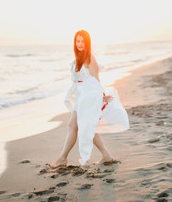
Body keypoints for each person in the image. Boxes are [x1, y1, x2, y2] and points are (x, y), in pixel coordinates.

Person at [47, 30, 129, 169]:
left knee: (74, 126)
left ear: (87, 42)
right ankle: (106, 155)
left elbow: (95, 79)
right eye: (77, 41)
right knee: (86, 126)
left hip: (89, 97)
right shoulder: (78, 57)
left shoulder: (90, 57)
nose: (79, 44)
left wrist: (100, 97)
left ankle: (62, 158)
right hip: (81, 96)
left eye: (82, 41)